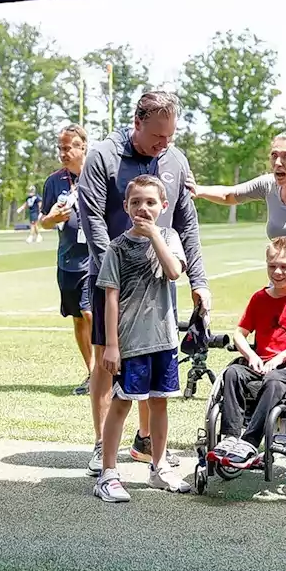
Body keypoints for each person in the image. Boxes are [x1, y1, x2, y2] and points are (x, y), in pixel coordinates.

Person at [80, 91, 211, 476]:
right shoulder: (103, 156)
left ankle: (145, 442)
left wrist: (198, 280)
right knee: (109, 358)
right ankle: (102, 444)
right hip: (113, 280)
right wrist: (114, 278)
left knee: (152, 354)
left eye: (169, 137)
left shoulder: (175, 159)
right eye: (157, 137)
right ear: (137, 123)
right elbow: (93, 222)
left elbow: (187, 223)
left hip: (160, 281)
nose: (164, 145)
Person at [187, 122, 286, 350]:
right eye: (274, 156)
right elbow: (230, 195)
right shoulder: (268, 185)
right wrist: (198, 190)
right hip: (280, 294)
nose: (278, 163)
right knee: (272, 356)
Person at [94, 175, 190, 503]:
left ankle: (159, 466)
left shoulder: (170, 237)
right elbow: (110, 298)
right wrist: (111, 345)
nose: (143, 208)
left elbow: (174, 271)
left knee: (159, 402)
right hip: (131, 341)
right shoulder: (118, 247)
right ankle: (108, 473)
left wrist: (154, 236)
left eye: (150, 202)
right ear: (126, 207)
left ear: (163, 206)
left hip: (163, 339)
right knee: (121, 404)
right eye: (136, 202)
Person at [214, 236, 286, 464]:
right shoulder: (259, 298)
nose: (278, 272)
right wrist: (251, 355)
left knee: (273, 381)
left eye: (285, 267)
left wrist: (282, 356)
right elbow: (239, 334)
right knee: (232, 373)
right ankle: (230, 437)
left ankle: (250, 442)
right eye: (272, 266)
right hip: (261, 363)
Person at [36, 124, 92, 395]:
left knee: (90, 312)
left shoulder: (99, 176)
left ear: (83, 147)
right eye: (60, 148)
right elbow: (43, 222)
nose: (63, 152)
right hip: (68, 260)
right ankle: (92, 373)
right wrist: (52, 219)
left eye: (68, 147)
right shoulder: (54, 181)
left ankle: (106, 374)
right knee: (78, 319)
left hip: (96, 259)